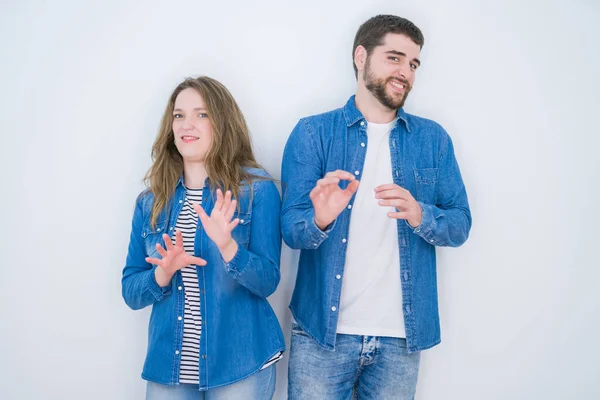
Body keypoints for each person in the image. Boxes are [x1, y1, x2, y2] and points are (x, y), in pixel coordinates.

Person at [281, 15, 472, 399]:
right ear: (360, 56)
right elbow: (290, 229)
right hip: (323, 335)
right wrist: (321, 217)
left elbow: (461, 223)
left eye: (414, 64)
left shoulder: (433, 140)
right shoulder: (313, 133)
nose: (406, 72)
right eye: (395, 58)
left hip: (400, 341)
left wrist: (421, 215)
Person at [122, 76, 284, 399]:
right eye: (179, 115)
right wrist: (162, 273)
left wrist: (228, 246)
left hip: (240, 362)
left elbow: (268, 281)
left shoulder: (257, 191)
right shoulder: (150, 202)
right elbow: (131, 290)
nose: (187, 124)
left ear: (222, 122)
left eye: (201, 114)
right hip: (169, 369)